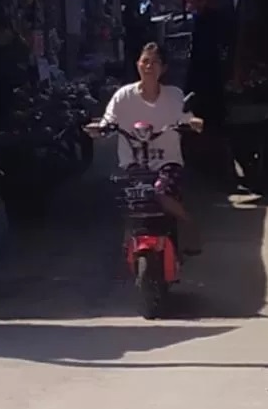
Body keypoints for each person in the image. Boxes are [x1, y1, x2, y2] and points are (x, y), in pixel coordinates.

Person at [87, 43, 204, 253]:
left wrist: (193, 122)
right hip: (133, 164)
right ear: (138, 65)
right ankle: (130, 243)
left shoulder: (174, 95)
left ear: (163, 68)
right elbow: (108, 120)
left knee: (159, 191)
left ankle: (187, 223)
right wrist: (99, 128)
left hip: (167, 162)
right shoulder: (123, 96)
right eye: (145, 61)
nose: (149, 66)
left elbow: (185, 117)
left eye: (155, 62)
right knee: (131, 201)